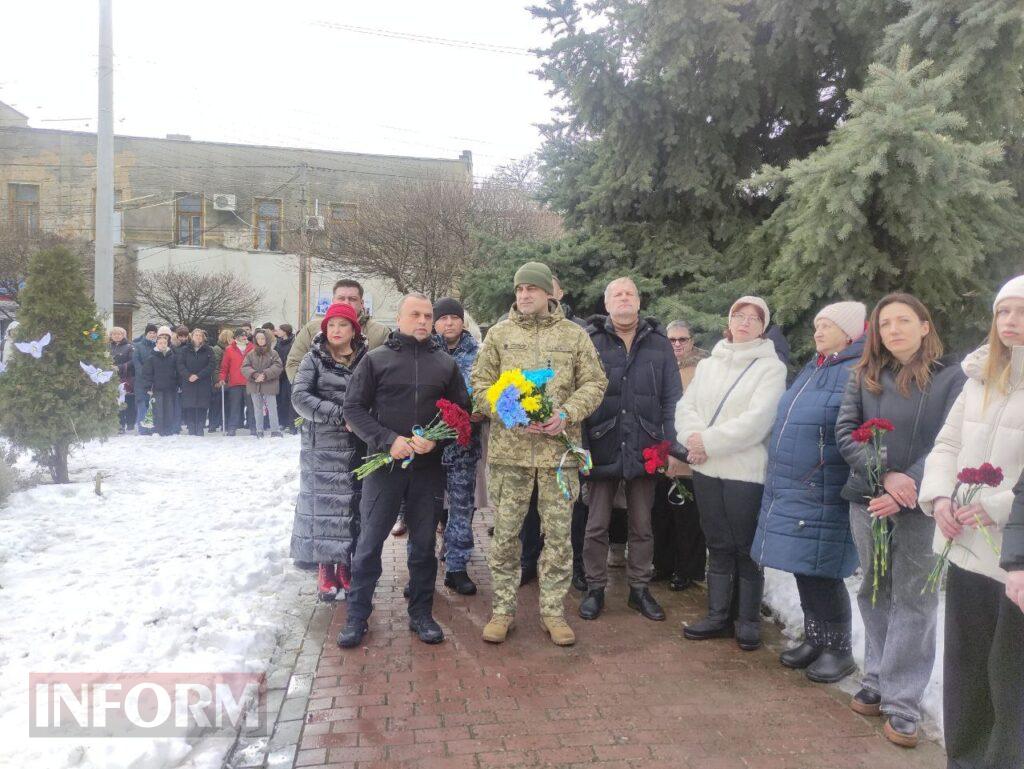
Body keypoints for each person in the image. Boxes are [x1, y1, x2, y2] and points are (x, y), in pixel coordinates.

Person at [836, 293, 965, 748]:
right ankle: (877, 676)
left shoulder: (953, 378)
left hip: (922, 503)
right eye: (885, 323)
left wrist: (907, 483)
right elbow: (845, 433)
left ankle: (903, 701)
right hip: (868, 499)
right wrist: (884, 477)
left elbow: (951, 441)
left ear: (925, 326)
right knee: (874, 586)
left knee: (915, 596)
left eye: (903, 321)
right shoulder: (865, 376)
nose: (893, 330)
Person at [471, 261, 607, 647]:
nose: (525, 295)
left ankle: (552, 612)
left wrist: (566, 414)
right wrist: (507, 411)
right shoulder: (498, 335)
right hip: (510, 455)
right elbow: (479, 385)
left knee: (559, 538)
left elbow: (596, 383)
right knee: (506, 536)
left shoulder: (574, 336)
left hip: (557, 457)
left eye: (532, 288)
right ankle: (503, 611)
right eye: (519, 289)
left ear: (550, 293)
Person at [918, 277, 1024, 766]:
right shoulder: (979, 377)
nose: (1011, 322)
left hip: (1012, 560)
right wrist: (939, 496)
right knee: (965, 672)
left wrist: (998, 504)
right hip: (964, 546)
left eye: (1022, 312)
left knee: (1009, 681)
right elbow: (947, 445)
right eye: (1003, 312)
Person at [338, 293, 470, 648]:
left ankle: (421, 613)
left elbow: (460, 413)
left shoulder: (445, 364)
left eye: (428, 315)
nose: (424, 321)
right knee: (369, 544)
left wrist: (438, 441)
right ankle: (357, 616)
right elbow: (353, 408)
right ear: (399, 318)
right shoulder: (376, 361)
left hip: (427, 470)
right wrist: (386, 440)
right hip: (385, 468)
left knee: (424, 545)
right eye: (416, 314)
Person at [751, 302, 867, 683]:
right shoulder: (816, 367)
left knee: (825, 571)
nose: (817, 332)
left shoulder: (856, 371)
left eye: (826, 326)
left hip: (826, 487)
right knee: (806, 565)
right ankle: (817, 639)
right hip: (797, 485)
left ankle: (840, 649)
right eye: (816, 325)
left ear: (849, 334)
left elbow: (852, 430)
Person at [676, 295, 787, 651]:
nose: (744, 322)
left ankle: (748, 619)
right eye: (738, 315)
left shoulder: (771, 368)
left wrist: (706, 441)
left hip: (744, 471)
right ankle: (718, 615)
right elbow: (686, 406)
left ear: (763, 326)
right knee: (717, 544)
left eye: (753, 318)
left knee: (745, 548)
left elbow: (757, 421)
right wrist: (692, 439)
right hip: (707, 468)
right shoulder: (710, 364)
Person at [578, 278, 681, 622]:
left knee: (642, 524)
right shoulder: (590, 341)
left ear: (639, 301)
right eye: (617, 294)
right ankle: (595, 589)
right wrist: (581, 446)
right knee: (596, 525)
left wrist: (666, 441)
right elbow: (579, 394)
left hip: (645, 443)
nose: (624, 298)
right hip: (602, 442)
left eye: (629, 293)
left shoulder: (658, 343)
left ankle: (639, 588)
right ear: (607, 304)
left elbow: (671, 397)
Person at [291, 302, 368, 601]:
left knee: (352, 507)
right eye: (331, 325)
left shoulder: (366, 359)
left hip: (357, 444)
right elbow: (300, 398)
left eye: (343, 325)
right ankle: (326, 568)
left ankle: (347, 565)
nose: (336, 330)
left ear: (354, 330)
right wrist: (340, 415)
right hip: (322, 445)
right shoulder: (313, 360)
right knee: (322, 507)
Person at [432, 297, 484, 596]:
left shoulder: (478, 355)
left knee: (463, 506)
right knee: (426, 508)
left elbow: (489, 390)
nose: (449, 323)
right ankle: (423, 567)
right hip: (431, 444)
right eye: (443, 318)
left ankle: (457, 566)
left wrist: (482, 410)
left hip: (464, 445)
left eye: (454, 318)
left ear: (462, 322)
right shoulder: (425, 351)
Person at [652, 319, 708, 590]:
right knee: (660, 515)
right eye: (671, 340)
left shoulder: (704, 369)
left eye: (682, 339)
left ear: (691, 341)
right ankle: (663, 565)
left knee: (687, 518)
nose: (676, 344)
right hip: (659, 451)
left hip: (688, 453)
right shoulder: (658, 363)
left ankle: (687, 570)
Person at [285, 279, 390, 381]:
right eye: (341, 298)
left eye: (352, 299)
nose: (346, 303)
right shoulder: (312, 329)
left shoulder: (380, 332)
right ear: (333, 301)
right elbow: (294, 363)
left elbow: (389, 370)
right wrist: (312, 391)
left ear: (362, 303)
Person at [242, 328, 284, 438]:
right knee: (257, 409)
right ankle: (259, 430)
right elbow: (245, 367)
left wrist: (265, 375)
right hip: (254, 384)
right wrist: (255, 375)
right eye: (258, 338)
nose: (261, 340)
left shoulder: (273, 353)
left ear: (267, 339)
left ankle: (275, 430)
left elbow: (278, 366)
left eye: (263, 338)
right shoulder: (251, 353)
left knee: (272, 408)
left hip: (269, 384)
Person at [140, 328, 179, 437]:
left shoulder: (172, 357)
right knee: (158, 410)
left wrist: (176, 383)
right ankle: (158, 430)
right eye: (160, 343)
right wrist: (148, 387)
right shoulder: (151, 358)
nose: (162, 344)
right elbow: (146, 374)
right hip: (156, 388)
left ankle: (168, 430)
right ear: (156, 344)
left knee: (169, 409)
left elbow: (177, 372)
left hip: (170, 388)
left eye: (165, 342)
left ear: (168, 344)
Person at [177, 328, 214, 436]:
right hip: (189, 382)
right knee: (190, 405)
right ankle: (192, 428)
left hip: (203, 381)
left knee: (202, 405)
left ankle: (200, 427)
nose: (198, 337)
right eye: (196, 335)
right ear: (191, 337)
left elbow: (211, 365)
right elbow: (180, 365)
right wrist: (189, 375)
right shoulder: (185, 350)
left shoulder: (208, 350)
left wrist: (199, 375)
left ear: (203, 338)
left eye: (200, 335)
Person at [221, 329, 255, 437]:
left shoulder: (252, 348)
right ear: (236, 337)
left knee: (251, 406)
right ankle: (232, 428)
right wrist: (222, 378)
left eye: (245, 335)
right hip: (235, 382)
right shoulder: (229, 349)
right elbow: (224, 366)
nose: (244, 337)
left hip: (249, 381)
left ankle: (253, 427)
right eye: (241, 335)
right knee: (234, 406)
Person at [132, 324, 158, 433]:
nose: (152, 335)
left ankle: (151, 428)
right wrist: (146, 375)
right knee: (142, 405)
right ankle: (142, 430)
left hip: (154, 382)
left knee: (152, 405)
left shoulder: (157, 346)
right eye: (150, 333)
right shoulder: (138, 346)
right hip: (141, 381)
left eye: (154, 333)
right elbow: (136, 362)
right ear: (146, 333)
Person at [108, 327, 135, 434]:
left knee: (122, 401)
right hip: (110, 378)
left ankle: (121, 425)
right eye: (114, 334)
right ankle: (112, 425)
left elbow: (133, 361)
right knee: (112, 402)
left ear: (124, 335)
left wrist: (120, 367)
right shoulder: (108, 347)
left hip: (124, 378)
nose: (116, 336)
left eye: (119, 334)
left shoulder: (129, 347)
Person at [208, 329, 232, 433]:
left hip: (229, 380)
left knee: (227, 403)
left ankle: (225, 424)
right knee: (216, 404)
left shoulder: (230, 349)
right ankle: (213, 424)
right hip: (219, 381)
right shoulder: (217, 349)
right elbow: (215, 366)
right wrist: (217, 380)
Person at [275, 323, 297, 434]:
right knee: (282, 400)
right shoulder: (278, 343)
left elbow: (293, 358)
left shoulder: (294, 342)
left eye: (279, 329)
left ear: (285, 331)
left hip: (290, 374)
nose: (277, 331)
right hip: (280, 376)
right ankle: (282, 422)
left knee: (290, 401)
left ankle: (291, 424)